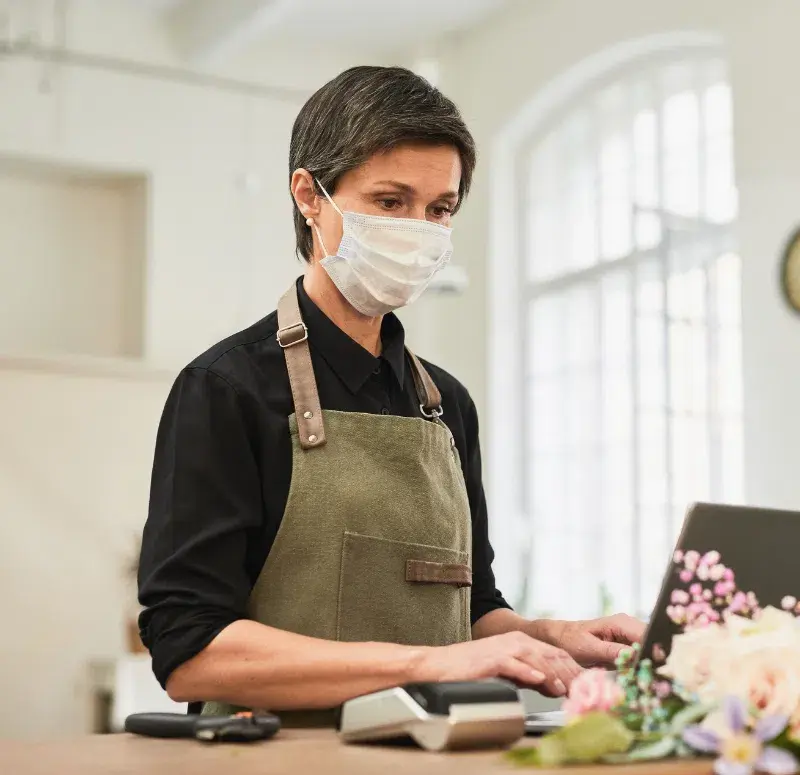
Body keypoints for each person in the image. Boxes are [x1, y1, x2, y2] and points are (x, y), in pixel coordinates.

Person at [138, 65, 644, 720]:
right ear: (308, 196)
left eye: (440, 209)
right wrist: (426, 664)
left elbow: (471, 611)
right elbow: (191, 651)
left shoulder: (447, 406)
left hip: (433, 753)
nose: (419, 228)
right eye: (389, 201)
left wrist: (550, 635)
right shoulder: (226, 390)